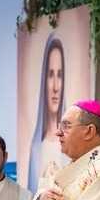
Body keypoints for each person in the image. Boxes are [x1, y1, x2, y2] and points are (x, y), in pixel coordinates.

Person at [27, 33, 67, 191]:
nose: (56, 86)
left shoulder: (71, 144)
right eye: (51, 75)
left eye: (60, 74)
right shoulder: (36, 147)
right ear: (44, 80)